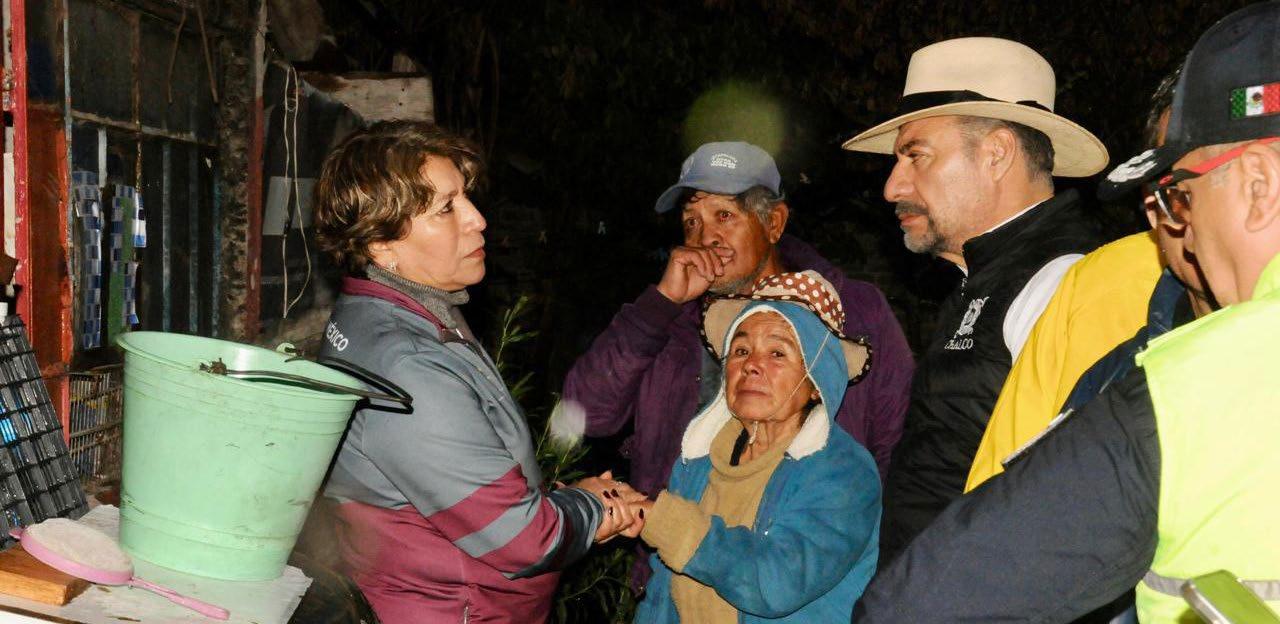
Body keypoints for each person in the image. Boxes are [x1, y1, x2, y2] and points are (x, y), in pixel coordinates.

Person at [855, 4, 1280, 621]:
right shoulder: (984, 286)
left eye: (1176, 196)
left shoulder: (1079, 293)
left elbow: (1056, 538)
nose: (1172, 231)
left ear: (997, 154)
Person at [311, 120, 643, 623]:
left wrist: (558, 500)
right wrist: (593, 507)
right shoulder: (408, 366)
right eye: (446, 208)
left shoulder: (381, 312)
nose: (477, 219)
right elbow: (523, 539)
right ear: (381, 245)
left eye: (465, 198)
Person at [841, 37, 1108, 563]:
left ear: (996, 154)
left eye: (915, 156)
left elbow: (1069, 513)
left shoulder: (1062, 285)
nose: (893, 187)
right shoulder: (980, 282)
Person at [556, 142, 912, 492]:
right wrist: (660, 304)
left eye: (724, 216)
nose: (705, 237)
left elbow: (899, 445)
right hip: (671, 527)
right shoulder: (670, 319)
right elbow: (586, 413)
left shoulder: (853, 310)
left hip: (807, 526)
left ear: (773, 223)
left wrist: (855, 522)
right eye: (691, 221)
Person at [965, 68, 1217, 491]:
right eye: (1170, 195)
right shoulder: (1116, 374)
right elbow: (1024, 498)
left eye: (918, 155)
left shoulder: (1083, 279)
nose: (894, 186)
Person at [633, 271, 881, 623]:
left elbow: (775, 583)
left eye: (777, 353)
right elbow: (662, 590)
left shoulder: (845, 473)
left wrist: (663, 520)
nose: (750, 365)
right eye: (741, 350)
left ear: (817, 381)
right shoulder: (699, 459)